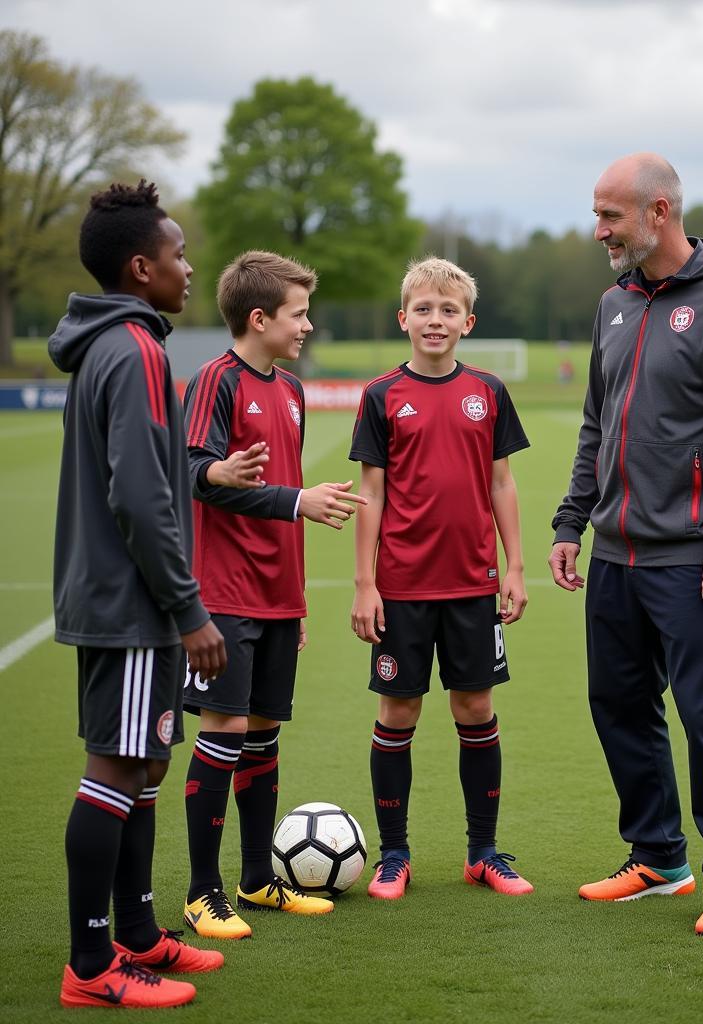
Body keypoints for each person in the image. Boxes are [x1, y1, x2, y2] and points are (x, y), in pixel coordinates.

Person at [549, 153, 703, 935]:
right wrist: (571, 522)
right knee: (617, 704)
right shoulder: (613, 303)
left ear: (658, 211)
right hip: (615, 552)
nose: (598, 231)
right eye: (596, 214)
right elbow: (597, 423)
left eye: (610, 216)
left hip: (694, 560)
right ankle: (658, 857)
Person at [50, 180, 227, 1009]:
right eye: (178, 254)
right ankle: (92, 967)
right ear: (139, 266)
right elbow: (141, 495)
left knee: (146, 763)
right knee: (115, 768)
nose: (188, 267)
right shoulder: (135, 350)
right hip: (130, 608)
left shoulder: (125, 344)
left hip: (133, 603)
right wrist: (188, 609)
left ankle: (137, 933)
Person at [181, 251, 367, 939]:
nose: (308, 326)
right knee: (223, 732)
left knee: (263, 735)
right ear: (259, 319)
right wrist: (263, 488)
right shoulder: (215, 381)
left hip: (276, 595)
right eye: (298, 314)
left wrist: (297, 600)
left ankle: (258, 880)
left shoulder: (289, 392)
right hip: (224, 594)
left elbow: (277, 484)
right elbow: (195, 472)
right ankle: (203, 893)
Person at [350, 256, 532, 899]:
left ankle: (483, 851)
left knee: (476, 706)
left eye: (447, 310)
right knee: (398, 711)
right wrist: (365, 584)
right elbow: (370, 492)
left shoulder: (489, 392)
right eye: (423, 309)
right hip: (402, 586)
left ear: (468, 322)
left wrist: (514, 566)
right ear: (404, 318)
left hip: (473, 583)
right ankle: (394, 854)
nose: (435, 319)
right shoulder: (381, 396)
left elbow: (501, 482)